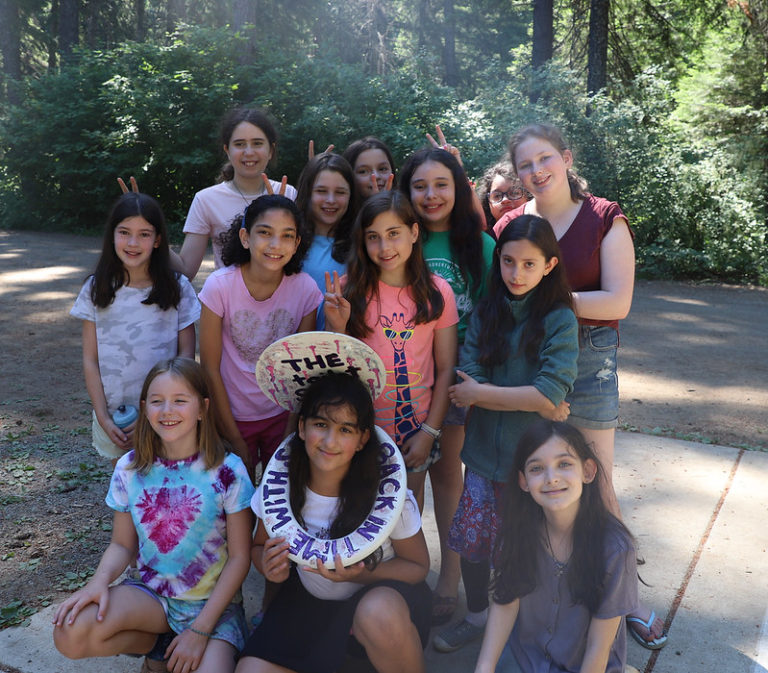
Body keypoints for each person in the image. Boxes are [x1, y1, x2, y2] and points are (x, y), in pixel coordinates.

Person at [494, 124, 666, 650]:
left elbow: (617, 303)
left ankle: (627, 599)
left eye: (544, 158)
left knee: (597, 479)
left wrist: (551, 300)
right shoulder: (512, 222)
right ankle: (531, 591)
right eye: (524, 165)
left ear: (566, 158)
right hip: (530, 361)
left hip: (590, 362)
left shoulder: (604, 217)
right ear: (516, 173)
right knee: (532, 478)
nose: (536, 171)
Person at [53, 357, 255, 673]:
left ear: (202, 408)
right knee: (70, 633)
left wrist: (200, 630)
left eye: (179, 401)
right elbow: (121, 546)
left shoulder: (228, 471)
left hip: (214, 609)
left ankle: (199, 648)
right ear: (145, 408)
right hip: (152, 597)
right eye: (157, 402)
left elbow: (240, 558)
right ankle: (160, 648)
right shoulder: (130, 468)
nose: (167, 411)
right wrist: (97, 583)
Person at [434, 215, 579, 653]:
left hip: (534, 462)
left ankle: (529, 629)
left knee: (532, 549)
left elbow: (551, 390)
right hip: (480, 456)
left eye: (529, 264)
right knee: (474, 546)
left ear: (550, 265)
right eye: (509, 262)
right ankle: (477, 616)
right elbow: (466, 382)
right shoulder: (486, 310)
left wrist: (489, 393)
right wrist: (531, 398)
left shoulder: (559, 319)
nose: (517, 274)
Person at [236, 371, 432, 673]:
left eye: (345, 429)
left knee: (376, 614)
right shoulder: (279, 488)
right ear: (301, 428)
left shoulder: (390, 496)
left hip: (381, 598)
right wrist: (268, 566)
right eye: (320, 425)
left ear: (363, 438)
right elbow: (259, 546)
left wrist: (360, 575)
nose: (330, 441)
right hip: (310, 600)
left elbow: (418, 567)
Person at [399, 146, 496, 625]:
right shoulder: (403, 240)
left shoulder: (480, 246)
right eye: (420, 185)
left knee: (447, 477)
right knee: (406, 481)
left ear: (459, 189)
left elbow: (492, 318)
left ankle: (449, 579)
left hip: (459, 380)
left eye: (442, 184)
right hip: (407, 380)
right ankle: (408, 575)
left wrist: (472, 379)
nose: (431, 195)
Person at [324, 190, 458, 511]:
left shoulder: (439, 292)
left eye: (393, 234)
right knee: (358, 515)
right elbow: (334, 370)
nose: (384, 247)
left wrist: (429, 432)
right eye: (374, 237)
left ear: (414, 233)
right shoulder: (347, 291)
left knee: (406, 514)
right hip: (357, 430)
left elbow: (446, 369)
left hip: (415, 432)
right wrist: (336, 326)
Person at [473, 420, 638, 673]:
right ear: (523, 481)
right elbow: (506, 601)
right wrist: (484, 668)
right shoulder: (516, 530)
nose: (551, 478)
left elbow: (598, 646)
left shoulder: (616, 548)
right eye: (537, 468)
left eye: (564, 464)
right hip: (525, 659)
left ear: (588, 471)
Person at [70, 192, 199, 462]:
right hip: (117, 417)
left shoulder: (178, 288)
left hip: (167, 415)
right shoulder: (95, 289)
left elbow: (186, 357)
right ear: (112, 235)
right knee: (126, 490)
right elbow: (90, 360)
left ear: (158, 240)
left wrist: (163, 410)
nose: (132, 242)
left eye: (144, 234)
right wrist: (104, 418)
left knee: (167, 489)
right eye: (124, 232)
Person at [199, 194, 322, 476]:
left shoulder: (305, 290)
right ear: (245, 237)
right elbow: (209, 367)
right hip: (229, 414)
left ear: (296, 244)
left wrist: (290, 432)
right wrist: (234, 436)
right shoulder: (219, 287)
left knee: (276, 500)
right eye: (265, 233)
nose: (275, 245)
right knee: (233, 505)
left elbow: (302, 373)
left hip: (281, 418)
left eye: (287, 236)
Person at [176, 107, 297, 279]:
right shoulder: (206, 200)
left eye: (257, 143)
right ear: (227, 150)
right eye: (240, 144)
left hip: (281, 302)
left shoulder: (288, 194)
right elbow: (186, 269)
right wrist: (152, 231)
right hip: (225, 303)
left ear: (271, 150)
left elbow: (300, 259)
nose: (249, 152)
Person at [295, 152, 359, 329]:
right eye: (321, 191)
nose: (330, 200)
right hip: (289, 349)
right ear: (307, 193)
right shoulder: (289, 241)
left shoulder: (361, 244)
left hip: (341, 348)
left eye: (340, 192)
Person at [475, 159, 530, 232]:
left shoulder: (544, 230)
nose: (505, 200)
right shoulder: (484, 240)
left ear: (529, 195)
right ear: (487, 203)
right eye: (497, 196)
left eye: (514, 193)